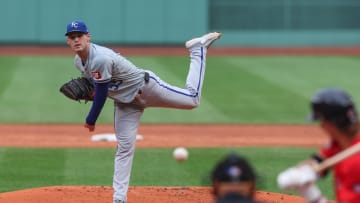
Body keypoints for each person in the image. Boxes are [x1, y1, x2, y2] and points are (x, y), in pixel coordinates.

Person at [64, 20, 221, 203]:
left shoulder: (100, 58)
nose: (76, 40)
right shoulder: (79, 62)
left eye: (79, 36)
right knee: (124, 148)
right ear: (68, 41)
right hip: (126, 104)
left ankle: (197, 49)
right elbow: (98, 87)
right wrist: (93, 90)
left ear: (88, 37)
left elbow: (101, 93)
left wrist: (91, 119)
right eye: (72, 37)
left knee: (192, 100)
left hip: (147, 88)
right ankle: (119, 198)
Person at [277, 87, 360, 203]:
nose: (322, 126)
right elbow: (319, 161)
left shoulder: (356, 164)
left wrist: (313, 196)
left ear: (331, 123)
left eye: (322, 121)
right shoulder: (341, 143)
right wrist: (304, 171)